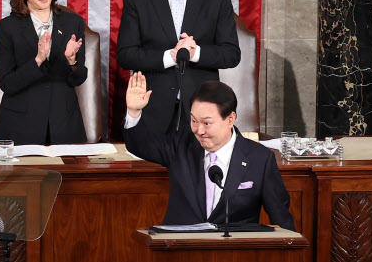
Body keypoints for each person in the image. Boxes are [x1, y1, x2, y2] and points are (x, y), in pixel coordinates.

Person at [123, 72, 295, 230]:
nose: (199, 130)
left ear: (230, 119)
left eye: (207, 123)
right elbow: (140, 145)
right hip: (181, 250)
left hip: (234, 253)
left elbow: (281, 217)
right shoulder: (181, 143)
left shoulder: (260, 158)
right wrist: (134, 111)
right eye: (194, 121)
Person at [117, 0, 241, 134]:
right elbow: (126, 55)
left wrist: (195, 53)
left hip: (204, 112)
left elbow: (231, 54)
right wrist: (170, 57)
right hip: (153, 108)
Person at [0, 0, 87, 144]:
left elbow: (78, 78)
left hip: (64, 124)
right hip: (21, 126)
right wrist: (37, 60)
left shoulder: (72, 23)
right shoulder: (7, 27)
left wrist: (71, 60)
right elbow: (8, 84)